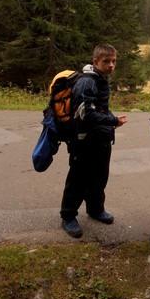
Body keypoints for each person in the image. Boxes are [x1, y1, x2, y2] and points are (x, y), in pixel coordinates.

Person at [60, 44, 127, 238]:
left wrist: (111, 120)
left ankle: (95, 209)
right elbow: (85, 114)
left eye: (114, 61)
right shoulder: (87, 82)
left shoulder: (100, 80)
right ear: (95, 61)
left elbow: (101, 108)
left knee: (99, 177)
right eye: (106, 61)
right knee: (78, 180)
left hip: (101, 139)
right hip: (83, 141)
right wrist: (112, 121)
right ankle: (68, 216)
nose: (111, 65)